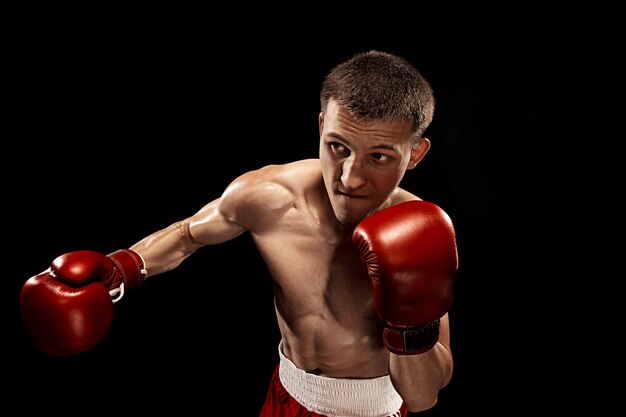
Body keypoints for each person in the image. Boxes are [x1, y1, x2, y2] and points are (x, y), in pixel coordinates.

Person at [20, 50, 459, 417]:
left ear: (415, 153)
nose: (350, 177)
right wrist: (120, 269)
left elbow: (422, 396)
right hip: (285, 395)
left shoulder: (420, 233)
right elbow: (188, 234)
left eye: (379, 157)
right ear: (321, 126)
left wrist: (411, 330)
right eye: (338, 147)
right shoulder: (268, 195)